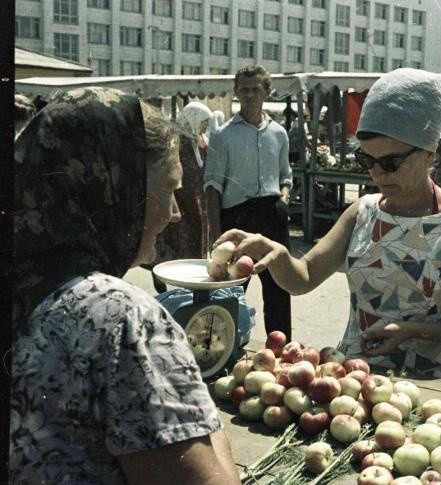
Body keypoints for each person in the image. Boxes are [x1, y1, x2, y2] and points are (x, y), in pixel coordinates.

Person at [11, 87, 239, 484]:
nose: (175, 212)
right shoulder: (122, 319)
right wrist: (192, 395)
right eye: (168, 190)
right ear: (115, 189)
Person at [216, 68, 441, 379]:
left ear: (429, 153)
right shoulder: (362, 211)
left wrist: (413, 331)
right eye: (366, 160)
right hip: (350, 380)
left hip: (423, 389)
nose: (377, 175)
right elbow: (304, 278)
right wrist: (279, 255)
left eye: (391, 163)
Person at [204, 64, 294, 339]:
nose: (250, 95)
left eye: (256, 89)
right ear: (236, 92)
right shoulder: (223, 135)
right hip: (237, 218)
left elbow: (285, 176)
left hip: (272, 214)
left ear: (267, 91)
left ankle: (281, 351)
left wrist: (283, 199)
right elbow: (212, 187)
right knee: (230, 290)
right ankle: (221, 350)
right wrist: (217, 235)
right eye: (244, 89)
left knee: (279, 288)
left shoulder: (279, 133)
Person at [149, 101, 214, 293]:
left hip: (197, 200)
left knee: (195, 240)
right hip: (182, 199)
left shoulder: (199, 140)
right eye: (202, 122)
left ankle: (191, 284)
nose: (204, 127)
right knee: (178, 242)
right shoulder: (176, 141)